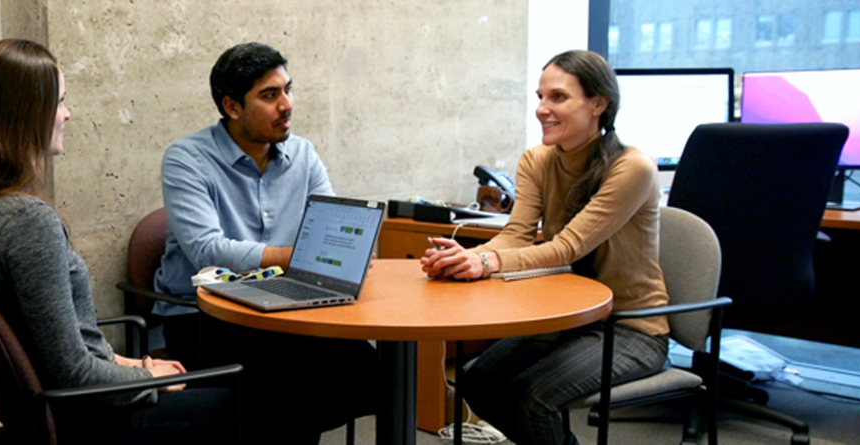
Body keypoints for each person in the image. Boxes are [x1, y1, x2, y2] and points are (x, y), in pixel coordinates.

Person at [0, 39, 238, 444]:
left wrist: (136, 365)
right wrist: (144, 379)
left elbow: (64, 343)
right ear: (26, 114)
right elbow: (72, 372)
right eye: (60, 101)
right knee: (265, 409)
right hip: (94, 420)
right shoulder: (26, 222)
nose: (68, 114)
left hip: (73, 408)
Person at [420, 50, 671, 445]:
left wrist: (484, 261)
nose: (541, 109)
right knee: (478, 381)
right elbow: (517, 234)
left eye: (557, 97)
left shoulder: (631, 167)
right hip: (570, 317)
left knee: (534, 400)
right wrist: (464, 258)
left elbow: (567, 247)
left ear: (598, 104)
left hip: (630, 328)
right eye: (540, 97)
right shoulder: (536, 160)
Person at [153, 42, 376, 444]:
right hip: (206, 316)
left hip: (286, 309)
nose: (287, 105)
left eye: (288, 90)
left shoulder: (303, 154)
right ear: (232, 107)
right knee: (288, 386)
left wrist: (347, 250)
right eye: (270, 95)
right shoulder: (187, 159)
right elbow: (208, 250)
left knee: (368, 369)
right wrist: (300, 258)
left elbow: (328, 230)